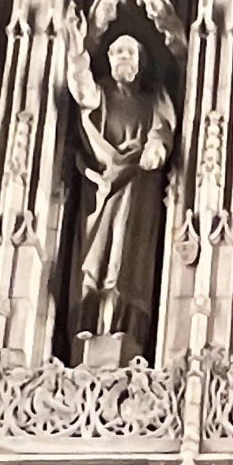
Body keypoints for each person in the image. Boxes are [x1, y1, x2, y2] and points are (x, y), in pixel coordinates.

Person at [66, 23, 174, 346]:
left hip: (138, 188)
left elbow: (162, 130)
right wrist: (77, 50)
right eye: (115, 53)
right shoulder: (102, 93)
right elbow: (83, 92)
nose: (121, 58)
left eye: (128, 52)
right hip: (102, 186)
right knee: (95, 257)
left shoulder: (154, 99)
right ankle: (89, 323)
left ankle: (125, 327)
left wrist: (155, 149)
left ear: (140, 61)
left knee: (126, 260)